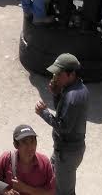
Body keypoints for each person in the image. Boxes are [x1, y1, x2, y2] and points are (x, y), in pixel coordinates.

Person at [35, 53, 88, 195]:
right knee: (52, 179)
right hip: (64, 150)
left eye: (59, 74)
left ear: (71, 74)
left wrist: (44, 113)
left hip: (67, 154)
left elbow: (64, 126)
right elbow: (63, 113)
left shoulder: (73, 97)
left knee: (64, 192)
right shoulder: (74, 87)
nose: (55, 77)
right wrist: (56, 94)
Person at [0, 124, 55, 194]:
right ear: (15, 145)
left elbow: (51, 192)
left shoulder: (44, 163)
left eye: (32, 141)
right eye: (25, 142)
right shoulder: (6, 159)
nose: (30, 147)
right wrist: (6, 191)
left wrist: (26, 188)